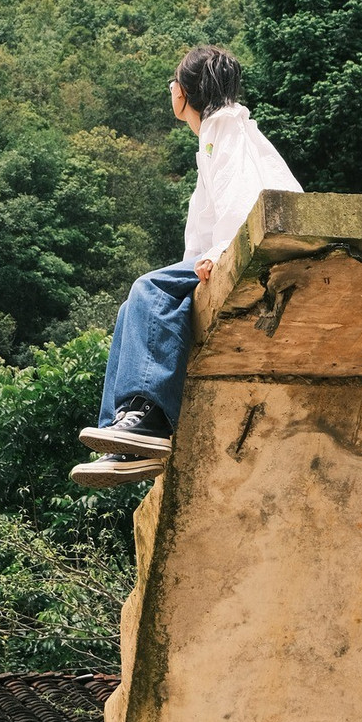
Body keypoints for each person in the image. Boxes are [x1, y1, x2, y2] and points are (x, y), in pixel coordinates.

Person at [70, 45, 301, 488]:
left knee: (148, 289)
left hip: (248, 241)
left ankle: (147, 420)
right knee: (132, 309)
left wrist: (215, 254)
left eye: (174, 82)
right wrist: (200, 259)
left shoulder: (223, 125)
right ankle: (123, 436)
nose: (171, 90)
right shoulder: (214, 136)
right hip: (222, 246)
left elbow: (241, 197)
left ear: (185, 93)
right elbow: (202, 230)